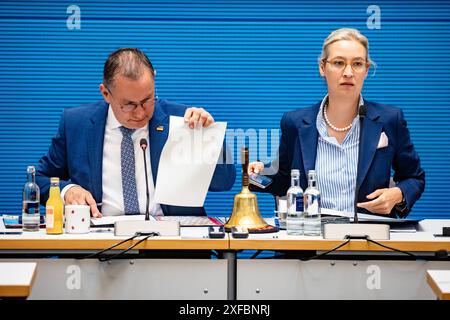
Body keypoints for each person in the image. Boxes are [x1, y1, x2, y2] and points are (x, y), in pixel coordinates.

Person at [36, 48, 236, 217]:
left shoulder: (182, 121)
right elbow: (39, 180)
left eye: (147, 100)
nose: (141, 113)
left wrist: (207, 137)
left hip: (174, 247)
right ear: (105, 93)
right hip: (100, 246)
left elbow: (224, 182)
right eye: (129, 104)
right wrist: (68, 191)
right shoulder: (76, 124)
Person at [249, 28, 425, 218]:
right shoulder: (295, 122)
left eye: (357, 64)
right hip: (310, 238)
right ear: (322, 68)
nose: (348, 72)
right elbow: (285, 180)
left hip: (370, 239)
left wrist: (397, 194)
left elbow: (414, 178)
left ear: (366, 70)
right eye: (339, 63)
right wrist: (257, 174)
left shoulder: (390, 119)